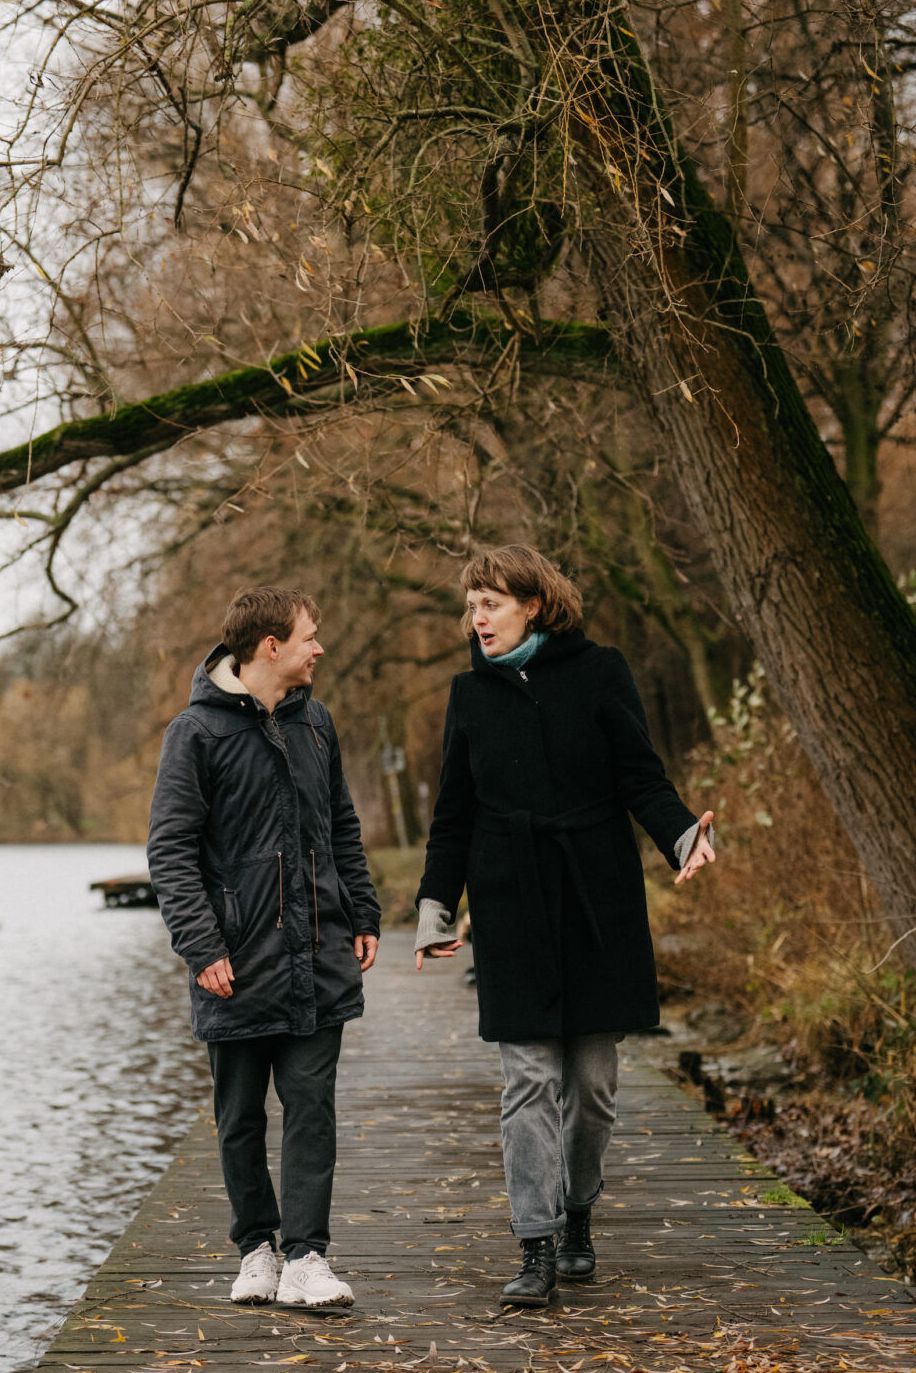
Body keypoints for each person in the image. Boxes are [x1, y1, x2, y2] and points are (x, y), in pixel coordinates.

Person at [414, 545, 715, 1307]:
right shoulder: (468, 695)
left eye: (491, 601)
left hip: (597, 895)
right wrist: (434, 910)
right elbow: (452, 815)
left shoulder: (600, 671)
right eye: (472, 603)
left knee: (593, 1085)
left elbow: (641, 777)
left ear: (535, 605)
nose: (476, 617)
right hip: (510, 897)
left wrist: (684, 836)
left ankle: (580, 1210)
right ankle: (536, 1242)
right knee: (528, 1080)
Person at [148, 586, 380, 1309]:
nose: (319, 647)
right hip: (234, 964)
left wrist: (363, 909)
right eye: (309, 636)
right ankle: (257, 1249)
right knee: (240, 1115)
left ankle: (308, 1257)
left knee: (312, 1107)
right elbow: (170, 848)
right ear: (269, 646)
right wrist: (200, 944)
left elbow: (341, 824)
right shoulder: (195, 733)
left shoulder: (318, 725)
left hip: (319, 954)